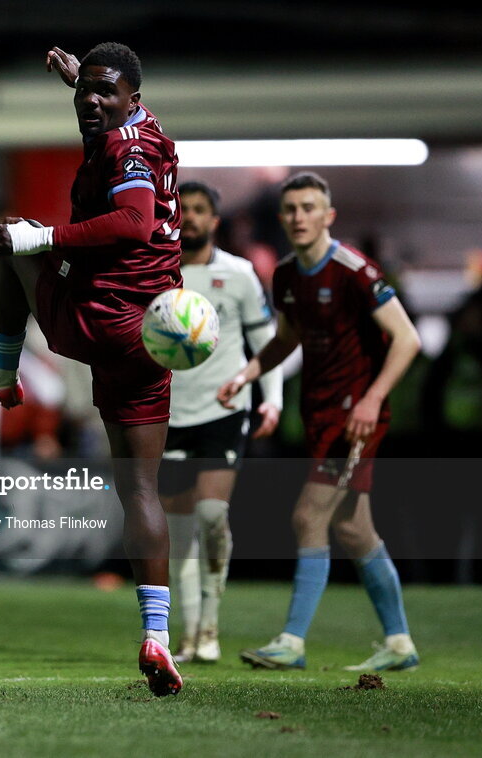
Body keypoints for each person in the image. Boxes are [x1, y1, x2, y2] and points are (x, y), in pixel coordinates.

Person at [0, 42, 184, 696]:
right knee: (140, 489)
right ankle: (157, 635)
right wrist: (84, 79)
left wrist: (43, 237)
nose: (90, 101)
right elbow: (108, 112)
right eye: (83, 91)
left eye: (104, 93)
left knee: (10, 239)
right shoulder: (143, 128)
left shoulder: (128, 151)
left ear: (133, 99)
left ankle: (2, 372)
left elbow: (134, 218)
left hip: (98, 317)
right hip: (154, 334)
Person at [218, 171, 422, 672]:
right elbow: (287, 339)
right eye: (291, 209)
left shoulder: (354, 270)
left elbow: (408, 338)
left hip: (356, 416)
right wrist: (247, 373)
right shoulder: (287, 275)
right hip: (320, 412)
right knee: (354, 530)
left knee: (308, 517)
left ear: (328, 216)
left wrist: (373, 399)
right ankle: (399, 644)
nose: (299, 217)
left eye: (309, 208)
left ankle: (292, 641)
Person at [158, 182, 283, 663]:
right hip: (168, 414)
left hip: (224, 410)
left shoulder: (240, 273)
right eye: (181, 208)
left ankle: (210, 626)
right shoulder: (154, 272)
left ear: (214, 220)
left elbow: (266, 341)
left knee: (211, 516)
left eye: (199, 210)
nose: (188, 216)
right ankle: (191, 636)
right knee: (178, 528)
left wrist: (270, 399)